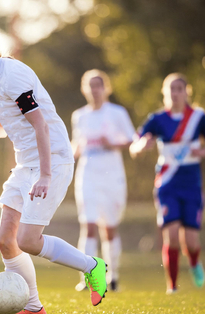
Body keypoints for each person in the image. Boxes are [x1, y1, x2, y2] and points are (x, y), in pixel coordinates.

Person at [0, 24, 108, 314]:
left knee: (27, 241)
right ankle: (33, 307)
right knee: (5, 240)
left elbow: (41, 126)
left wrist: (46, 176)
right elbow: (2, 126)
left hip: (53, 161)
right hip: (26, 164)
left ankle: (93, 266)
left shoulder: (13, 77)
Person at [129, 73, 205, 294]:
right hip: (167, 183)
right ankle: (172, 286)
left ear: (186, 92)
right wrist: (143, 145)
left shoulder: (198, 117)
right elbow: (134, 144)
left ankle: (194, 262)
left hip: (192, 184)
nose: (175, 93)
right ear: (165, 92)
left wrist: (203, 151)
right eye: (171, 88)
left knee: (190, 241)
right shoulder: (157, 119)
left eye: (179, 88)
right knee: (171, 236)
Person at [71, 69, 135, 292]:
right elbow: (76, 146)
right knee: (88, 225)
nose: (95, 90)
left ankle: (113, 276)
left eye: (99, 85)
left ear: (106, 88)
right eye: (91, 85)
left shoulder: (117, 112)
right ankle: (87, 277)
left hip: (112, 173)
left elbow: (131, 140)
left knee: (109, 227)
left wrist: (113, 143)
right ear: (84, 89)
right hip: (87, 172)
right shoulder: (79, 115)